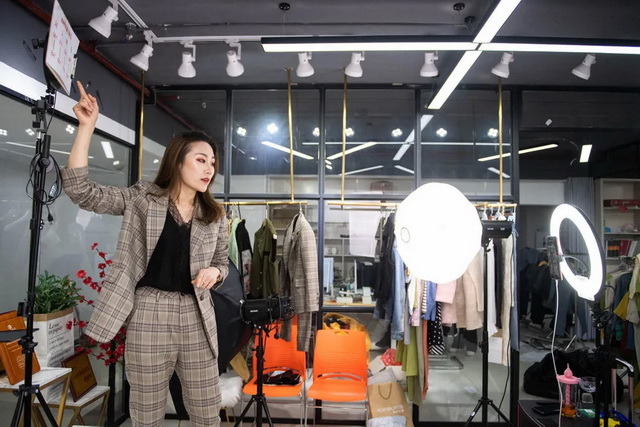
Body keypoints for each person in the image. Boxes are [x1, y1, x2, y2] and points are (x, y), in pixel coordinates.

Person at [62, 81, 229, 426]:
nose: (209, 169)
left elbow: (222, 262)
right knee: (147, 410)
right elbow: (82, 192)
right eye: (200, 160)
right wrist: (86, 127)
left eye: (212, 162)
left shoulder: (215, 214)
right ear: (178, 162)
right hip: (149, 310)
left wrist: (216, 272)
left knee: (207, 411)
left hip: (197, 314)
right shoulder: (143, 198)